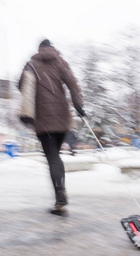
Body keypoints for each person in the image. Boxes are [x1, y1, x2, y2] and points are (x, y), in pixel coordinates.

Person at [18, 39, 86, 214]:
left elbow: (22, 86)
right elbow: (72, 83)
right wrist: (78, 105)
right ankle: (60, 193)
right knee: (57, 157)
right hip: (62, 117)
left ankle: (60, 197)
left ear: (39, 49)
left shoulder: (31, 64)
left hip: (43, 119)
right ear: (52, 48)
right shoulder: (60, 61)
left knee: (52, 157)